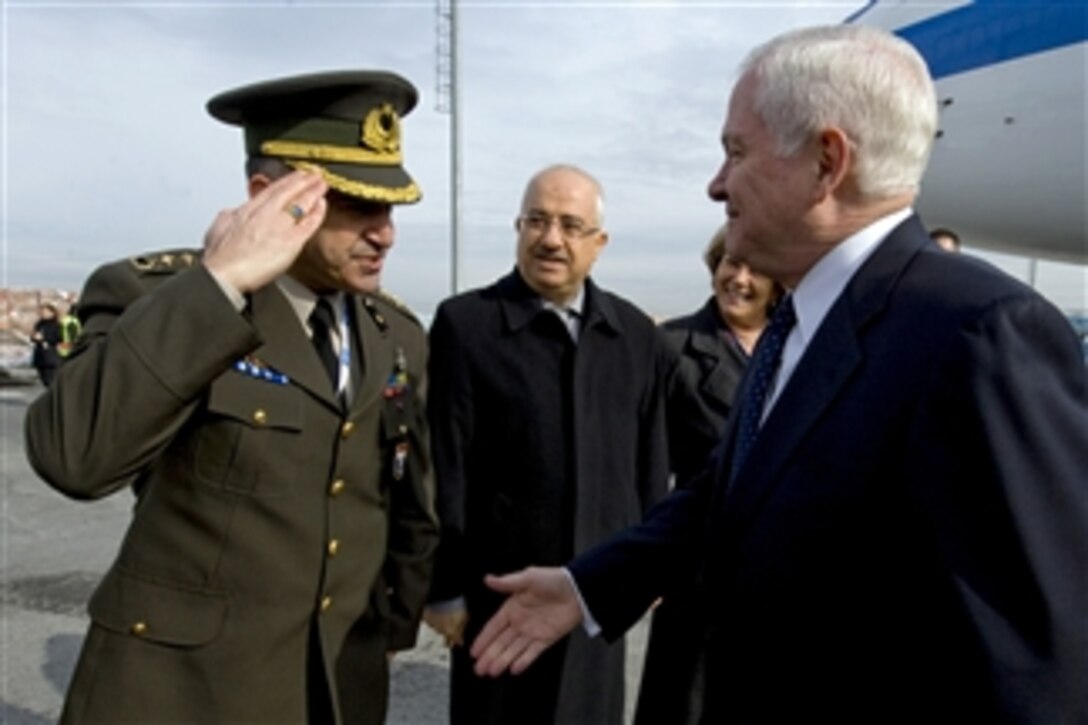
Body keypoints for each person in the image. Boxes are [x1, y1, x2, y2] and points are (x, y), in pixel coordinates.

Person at [470, 25, 1088, 723]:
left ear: (827, 162)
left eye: (736, 151)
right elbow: (733, 489)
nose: (716, 183)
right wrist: (589, 586)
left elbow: (1040, 660)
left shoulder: (980, 331)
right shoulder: (804, 316)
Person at [23, 70, 439, 725]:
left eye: (389, 209)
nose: (383, 232)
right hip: (183, 695)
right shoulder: (158, 299)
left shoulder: (397, 335)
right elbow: (73, 456)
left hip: (337, 689)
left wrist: (390, 626)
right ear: (266, 196)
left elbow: (407, 500)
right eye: (356, 205)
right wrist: (221, 284)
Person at [422, 164, 673, 725]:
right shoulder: (467, 325)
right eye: (537, 220)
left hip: (594, 594)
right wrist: (444, 590)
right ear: (517, 227)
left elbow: (650, 464)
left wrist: (649, 567)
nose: (551, 239)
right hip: (499, 598)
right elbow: (445, 464)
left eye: (570, 224)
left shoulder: (636, 336)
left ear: (599, 243)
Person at [636, 223, 781, 725]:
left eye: (755, 268)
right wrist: (648, 559)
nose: (738, 278)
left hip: (776, 569)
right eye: (729, 264)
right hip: (698, 561)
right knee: (686, 701)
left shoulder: (795, 347)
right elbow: (650, 458)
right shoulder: (673, 345)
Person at [29, 303, 63, 386]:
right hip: (40, 357)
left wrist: (44, 339)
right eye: (42, 311)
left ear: (52, 313)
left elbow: (58, 338)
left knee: (51, 381)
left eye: (46, 312)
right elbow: (33, 337)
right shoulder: (39, 324)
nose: (43, 313)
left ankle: (54, 397)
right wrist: (34, 337)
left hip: (51, 357)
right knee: (44, 381)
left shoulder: (57, 325)